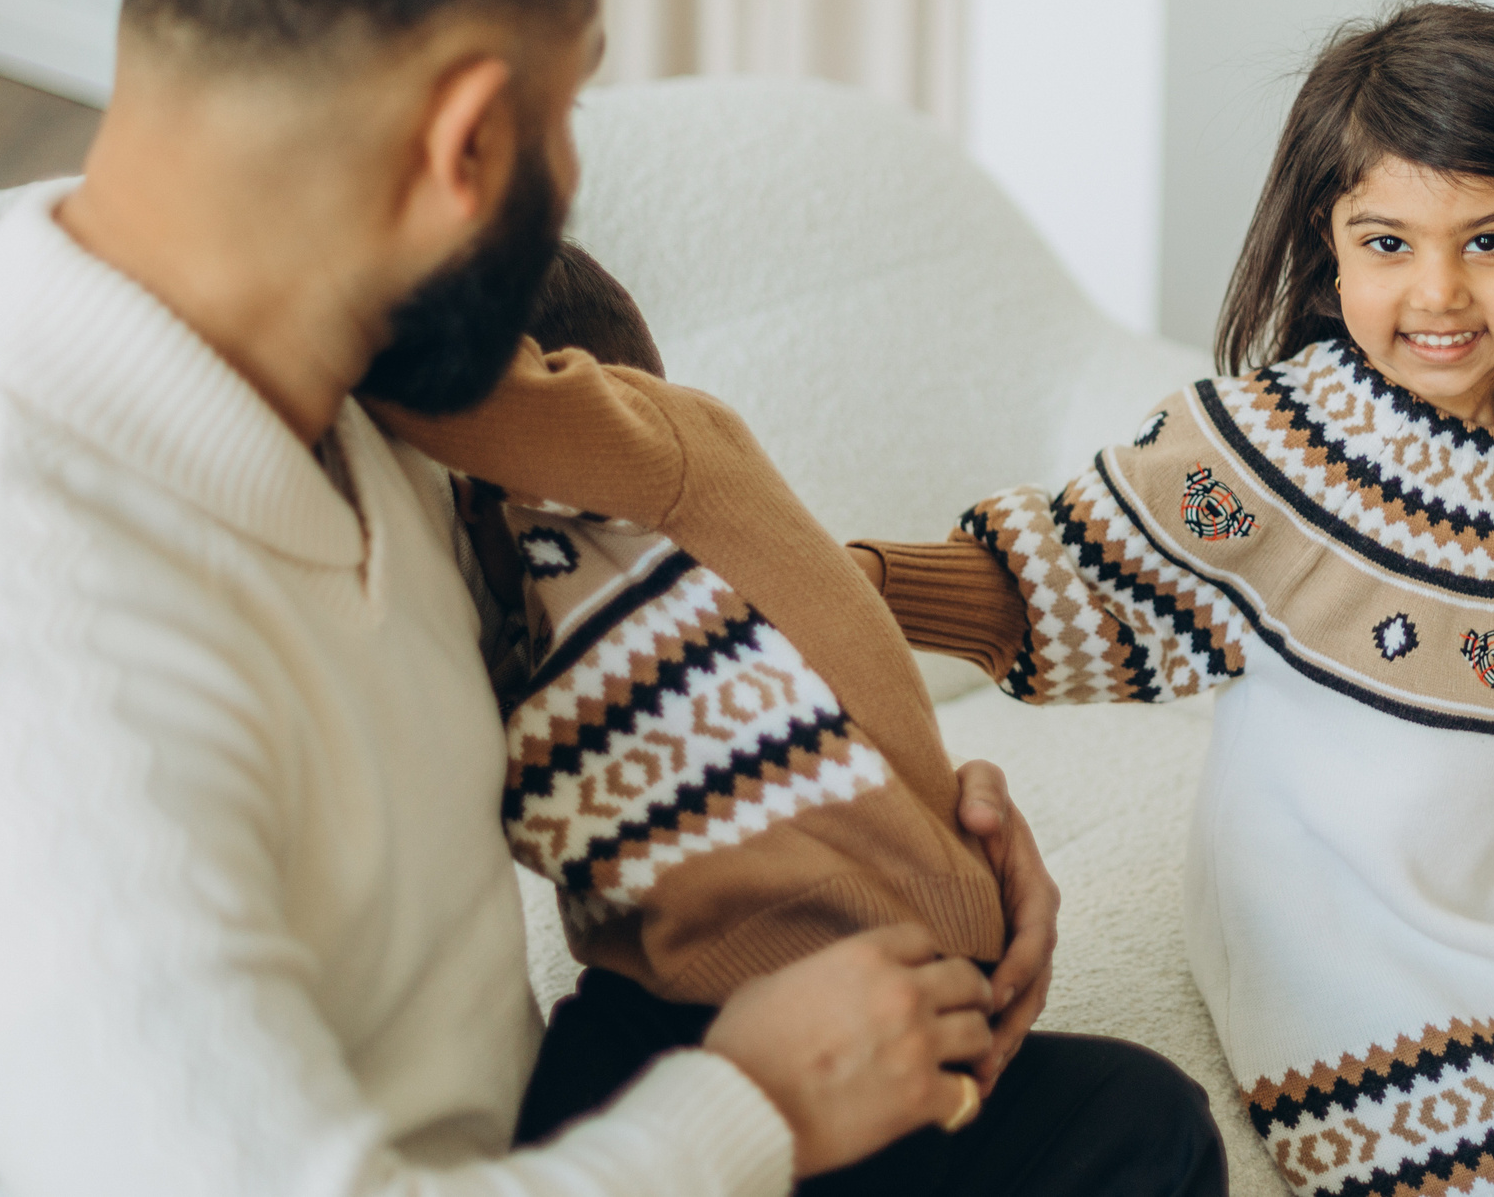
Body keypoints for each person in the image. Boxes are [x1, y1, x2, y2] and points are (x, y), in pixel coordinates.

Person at [0, 0, 1167, 1197]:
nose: (569, 179)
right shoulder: (8, 620)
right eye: (564, 117)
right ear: (470, 144)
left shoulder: (361, 381)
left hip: (528, 1145)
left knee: (1123, 1133)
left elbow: (625, 676)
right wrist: (757, 1101)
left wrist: (889, 839)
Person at [851, 3, 1494, 1196]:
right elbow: (1076, 576)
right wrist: (857, 582)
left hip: (1484, 888)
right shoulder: (1271, 444)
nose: (1437, 292)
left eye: (1489, 242)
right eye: (1387, 243)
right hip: (1315, 914)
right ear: (1328, 239)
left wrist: (1491, 811)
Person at [375, 242, 1224, 1194]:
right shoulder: (543, 644)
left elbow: (443, 380)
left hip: (845, 974)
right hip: (707, 992)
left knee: (1150, 1117)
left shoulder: (663, 442)